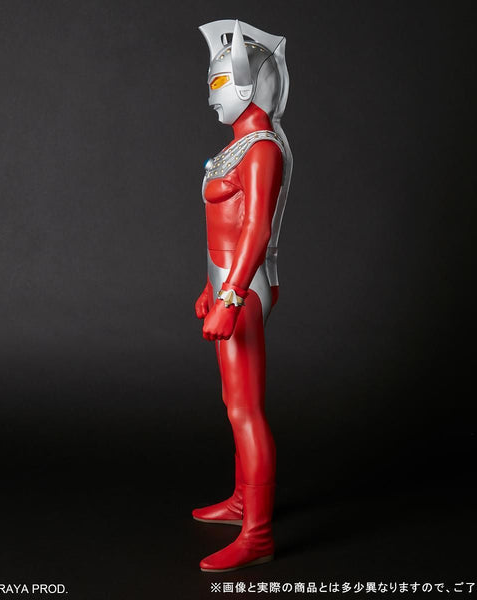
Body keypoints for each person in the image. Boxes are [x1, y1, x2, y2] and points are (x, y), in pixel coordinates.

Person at [192, 19, 293, 573]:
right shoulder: (239, 147)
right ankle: (241, 502)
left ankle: (257, 534)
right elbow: (225, 225)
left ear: (248, 85)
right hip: (227, 282)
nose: (211, 94)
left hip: (244, 287)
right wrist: (209, 287)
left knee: (244, 408)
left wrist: (230, 295)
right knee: (233, 405)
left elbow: (255, 229)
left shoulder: (261, 149)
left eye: (217, 83)